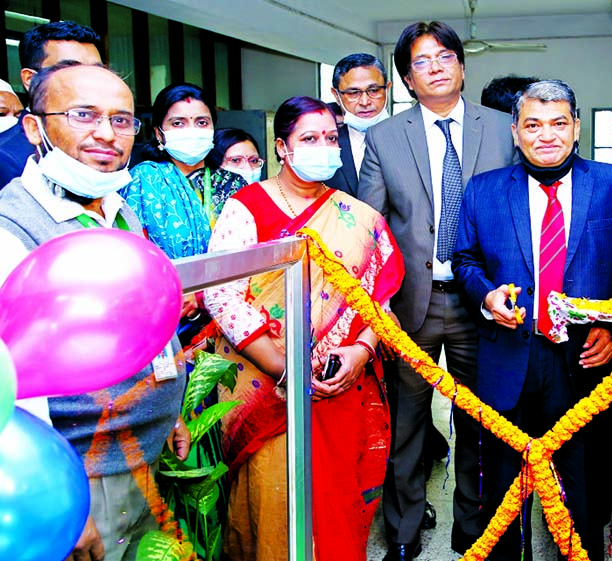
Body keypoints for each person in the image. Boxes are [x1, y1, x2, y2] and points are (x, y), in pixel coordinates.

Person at [453, 79, 612, 561]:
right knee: (503, 483)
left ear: (577, 127)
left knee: (581, 483)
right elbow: (465, 261)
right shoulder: (483, 191)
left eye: (559, 123)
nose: (547, 135)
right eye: (533, 125)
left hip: (584, 357)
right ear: (515, 133)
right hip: (509, 355)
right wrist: (487, 296)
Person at [0, 61, 188, 561]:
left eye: (122, 120)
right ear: (34, 127)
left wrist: (170, 407)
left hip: (136, 455)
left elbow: (144, 321)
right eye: (84, 115)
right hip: (81, 477)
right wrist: (60, 502)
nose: (107, 134)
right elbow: (12, 386)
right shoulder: (11, 230)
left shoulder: (116, 209)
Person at [203, 95, 404, 561]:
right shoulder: (246, 207)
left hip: (342, 382)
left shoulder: (359, 216)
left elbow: (380, 299)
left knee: (336, 499)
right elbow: (221, 292)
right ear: (282, 147)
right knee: (277, 499)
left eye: (331, 138)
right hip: (268, 385)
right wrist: (286, 368)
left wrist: (362, 350)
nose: (323, 147)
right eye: (309, 138)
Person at [357, 20, 517, 560]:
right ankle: (401, 530)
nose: (436, 67)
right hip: (409, 306)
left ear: (462, 66)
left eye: (445, 55)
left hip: (485, 301)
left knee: (482, 419)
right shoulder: (384, 136)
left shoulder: (501, 128)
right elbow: (370, 224)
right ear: (407, 78)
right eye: (422, 61)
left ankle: (474, 528)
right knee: (407, 423)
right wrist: (374, 308)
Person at [121, 83, 246, 341]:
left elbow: (250, 257)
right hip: (165, 318)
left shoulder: (235, 184)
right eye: (178, 123)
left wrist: (205, 294)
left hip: (231, 318)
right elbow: (132, 256)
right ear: (159, 133)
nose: (192, 130)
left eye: (201, 122)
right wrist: (177, 292)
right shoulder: (142, 181)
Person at [0, 20, 101, 189]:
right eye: (71, 69)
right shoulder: (5, 157)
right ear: (30, 79)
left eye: (97, 71)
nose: (89, 81)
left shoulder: (106, 139)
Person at [328, 53, 391, 197]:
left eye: (374, 91)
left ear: (387, 88)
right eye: (353, 93)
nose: (364, 102)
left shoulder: (412, 138)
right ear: (336, 95)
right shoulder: (327, 146)